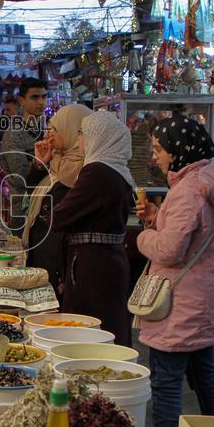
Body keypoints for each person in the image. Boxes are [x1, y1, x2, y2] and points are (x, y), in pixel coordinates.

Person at [135, 117, 214, 427]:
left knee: (167, 381)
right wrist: (158, 218)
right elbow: (194, 235)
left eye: (159, 149)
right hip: (204, 298)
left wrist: (144, 236)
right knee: (203, 376)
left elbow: (169, 250)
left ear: (179, 149)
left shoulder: (188, 190)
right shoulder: (210, 178)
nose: (155, 156)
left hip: (179, 304)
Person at [48, 111, 135, 346]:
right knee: (109, 322)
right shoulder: (116, 170)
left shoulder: (97, 171)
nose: (79, 141)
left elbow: (60, 217)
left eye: (82, 134)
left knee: (92, 328)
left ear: (98, 137)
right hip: (107, 261)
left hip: (94, 265)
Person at [24, 104, 93, 296]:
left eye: (55, 129)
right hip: (43, 250)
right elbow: (30, 190)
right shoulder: (56, 161)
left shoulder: (85, 167)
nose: (49, 134)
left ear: (72, 129)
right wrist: (40, 163)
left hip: (62, 258)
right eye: (49, 128)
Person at [0, 78, 47, 221]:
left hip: (45, 207)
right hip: (23, 211)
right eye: (35, 97)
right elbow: (21, 178)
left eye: (44, 97)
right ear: (22, 101)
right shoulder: (14, 134)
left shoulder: (47, 130)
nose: (41, 102)